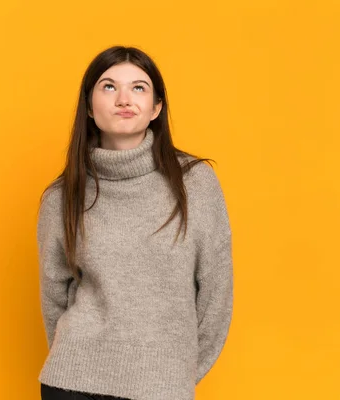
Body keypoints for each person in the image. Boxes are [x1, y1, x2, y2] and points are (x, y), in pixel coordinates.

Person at [37, 46, 233, 400]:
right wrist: (78, 357)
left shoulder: (195, 183)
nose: (124, 98)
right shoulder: (62, 196)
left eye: (139, 87)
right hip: (73, 380)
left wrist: (178, 372)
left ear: (156, 107)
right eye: (109, 87)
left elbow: (216, 294)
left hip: (162, 384)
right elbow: (54, 296)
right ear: (89, 107)